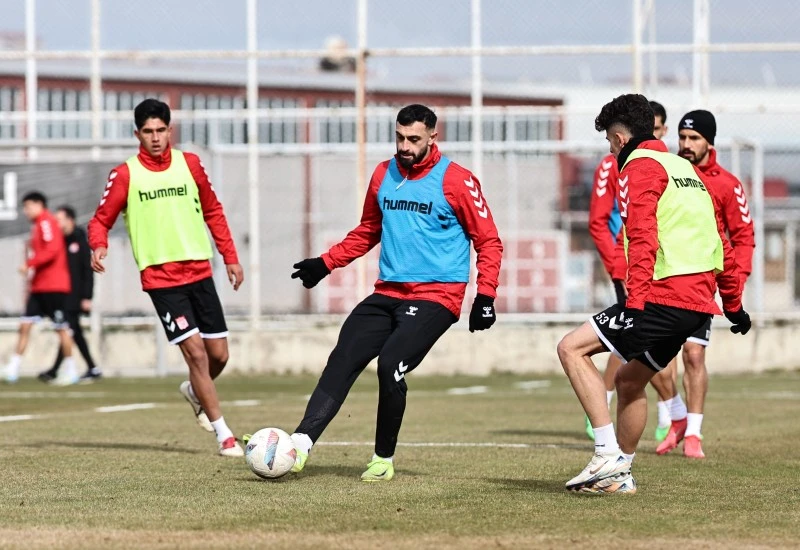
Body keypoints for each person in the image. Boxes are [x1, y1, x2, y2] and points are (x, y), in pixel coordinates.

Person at [284, 104, 503, 481]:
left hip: (437, 296)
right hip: (387, 293)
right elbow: (369, 230)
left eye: (413, 139)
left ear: (433, 136)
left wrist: (485, 296)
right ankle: (299, 445)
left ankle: (382, 459)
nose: (404, 146)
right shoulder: (383, 174)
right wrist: (326, 262)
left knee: (390, 364)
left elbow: (489, 241)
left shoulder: (458, 181)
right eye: (399, 137)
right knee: (343, 357)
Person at [558, 94, 750, 494]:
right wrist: (734, 306)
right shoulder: (686, 170)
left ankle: (605, 454)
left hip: (662, 298)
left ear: (620, 137)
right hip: (696, 306)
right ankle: (620, 475)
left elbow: (642, 236)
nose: (611, 152)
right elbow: (721, 242)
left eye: (610, 143)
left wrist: (634, 303)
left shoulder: (637, 167)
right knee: (630, 381)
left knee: (571, 349)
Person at [88, 98, 245, 457]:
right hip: (161, 278)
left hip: (200, 270)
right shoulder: (125, 174)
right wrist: (99, 245)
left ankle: (194, 390)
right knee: (196, 356)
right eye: (148, 131)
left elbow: (213, 211)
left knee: (219, 355)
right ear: (137, 134)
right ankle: (224, 436)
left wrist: (231, 257)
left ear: (170, 130)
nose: (156, 138)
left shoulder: (190, 164)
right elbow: (99, 220)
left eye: (161, 130)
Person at [650, 110, 755, 459]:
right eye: (682, 137)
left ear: (709, 142)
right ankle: (676, 414)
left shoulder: (727, 184)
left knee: (694, 355)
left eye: (694, 138)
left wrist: (735, 284)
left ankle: (693, 433)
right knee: (652, 356)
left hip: (703, 284)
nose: (686, 144)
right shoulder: (672, 173)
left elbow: (743, 237)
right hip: (665, 281)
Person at [586, 100, 675, 442]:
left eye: (661, 129)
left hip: (661, 270)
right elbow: (599, 222)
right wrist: (617, 267)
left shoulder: (667, 164)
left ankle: (670, 413)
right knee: (625, 342)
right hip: (630, 268)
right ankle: (664, 410)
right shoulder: (613, 165)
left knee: (648, 345)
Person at [3, 192, 77, 385]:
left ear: (39, 205)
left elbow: (52, 249)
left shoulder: (46, 222)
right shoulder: (37, 225)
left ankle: (71, 370)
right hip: (39, 286)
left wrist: (30, 263)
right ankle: (13, 367)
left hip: (53, 286)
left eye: (28, 206)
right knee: (25, 325)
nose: (26, 211)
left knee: (61, 328)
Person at [37, 206, 102, 384]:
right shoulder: (58, 241)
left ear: (70, 220)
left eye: (59, 219)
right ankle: (89, 368)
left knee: (69, 330)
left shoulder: (80, 240)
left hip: (76, 295)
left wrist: (87, 296)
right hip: (62, 293)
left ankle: (60, 369)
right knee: (71, 331)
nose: (56, 223)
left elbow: (87, 271)